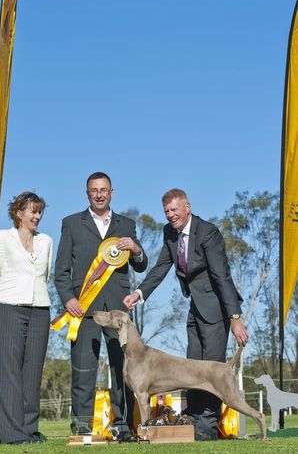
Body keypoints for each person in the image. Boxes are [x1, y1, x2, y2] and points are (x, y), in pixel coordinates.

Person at [123, 188, 249, 440]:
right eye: (167, 211)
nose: (170, 215)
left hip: (216, 307)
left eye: (174, 210)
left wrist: (234, 318)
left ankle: (207, 426)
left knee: (211, 367)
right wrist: (139, 293)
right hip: (195, 307)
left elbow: (221, 276)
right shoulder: (169, 233)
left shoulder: (208, 232)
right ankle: (194, 418)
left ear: (187, 207)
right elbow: (161, 267)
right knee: (191, 365)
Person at [54, 172, 148, 439]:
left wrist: (137, 249)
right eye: (94, 190)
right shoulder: (71, 223)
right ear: (87, 194)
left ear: (112, 193)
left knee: (124, 370)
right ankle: (82, 427)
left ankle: (123, 425)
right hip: (83, 310)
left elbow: (139, 266)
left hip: (119, 313)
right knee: (83, 370)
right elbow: (61, 270)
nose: (99, 194)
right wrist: (69, 298)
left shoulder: (127, 224)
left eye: (103, 190)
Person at [0, 192, 53, 444]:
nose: (37, 216)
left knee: (32, 372)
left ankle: (29, 430)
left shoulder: (46, 241)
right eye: (32, 211)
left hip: (40, 309)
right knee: (10, 371)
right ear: (18, 213)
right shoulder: (2, 238)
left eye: (39, 211)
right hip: (9, 308)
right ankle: (12, 434)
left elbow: (46, 276)